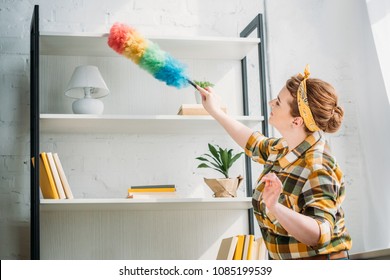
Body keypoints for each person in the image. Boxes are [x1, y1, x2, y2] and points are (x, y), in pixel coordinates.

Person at [196, 65, 352, 260]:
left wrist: (276, 207)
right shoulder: (283, 149)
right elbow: (254, 142)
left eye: (278, 103)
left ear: (296, 121)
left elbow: (319, 234)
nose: (270, 103)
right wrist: (215, 110)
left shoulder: (318, 166)